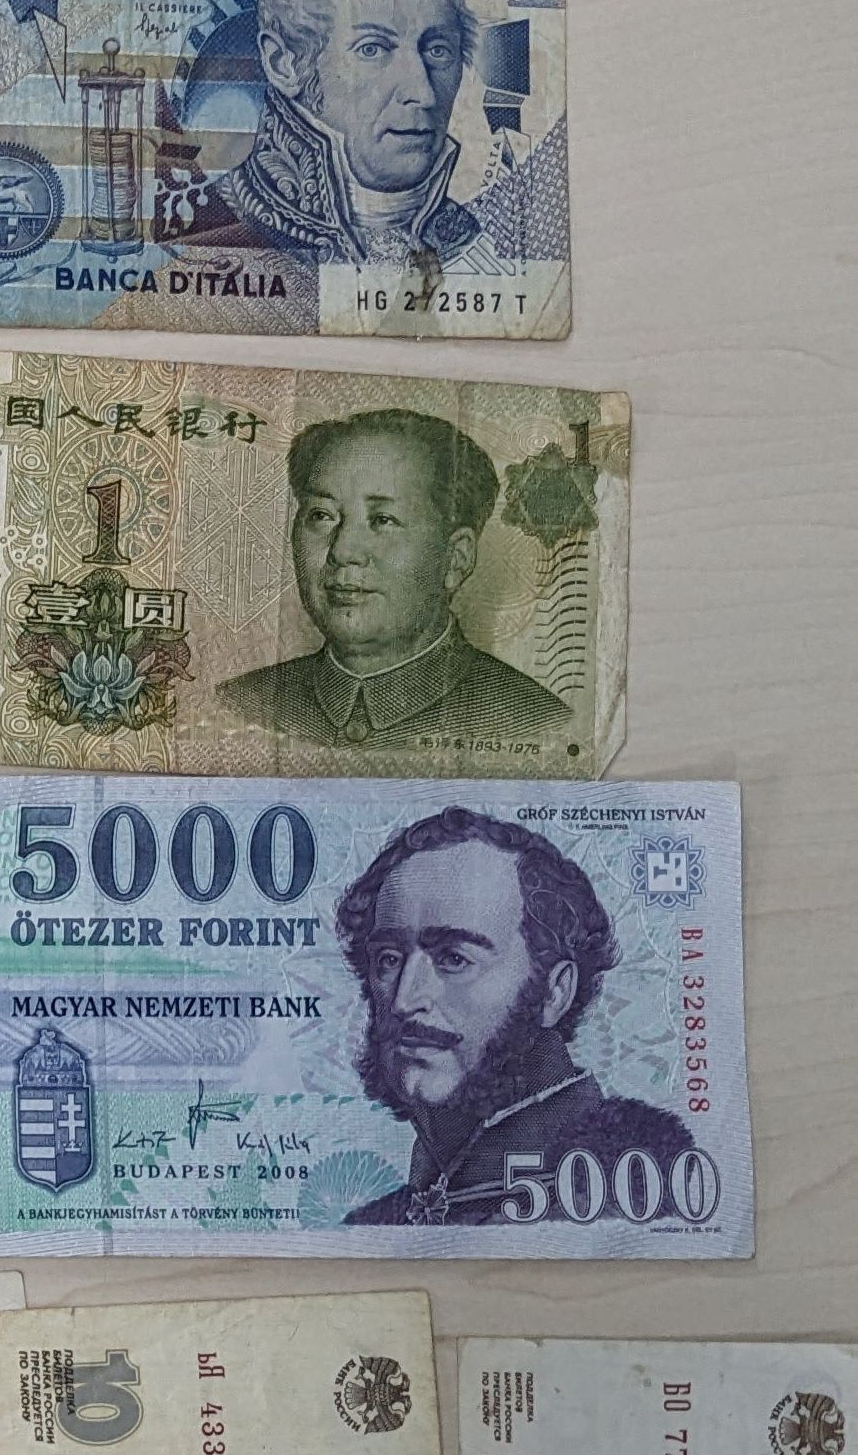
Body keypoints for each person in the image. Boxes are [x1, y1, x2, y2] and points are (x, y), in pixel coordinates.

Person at [333, 807, 691, 1226]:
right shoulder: (377, 1225)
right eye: (389, 959)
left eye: (454, 958)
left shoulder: (631, 1190)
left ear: (554, 992)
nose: (403, 1000)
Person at [218, 408, 569, 748]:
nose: (342, 551)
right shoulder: (241, 704)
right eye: (322, 515)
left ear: (455, 559)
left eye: (382, 520)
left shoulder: (533, 722)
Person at [180, 0, 495, 268]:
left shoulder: (478, 247)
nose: (423, 93)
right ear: (284, 64)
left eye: (437, 51)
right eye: (372, 49)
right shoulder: (203, 235)